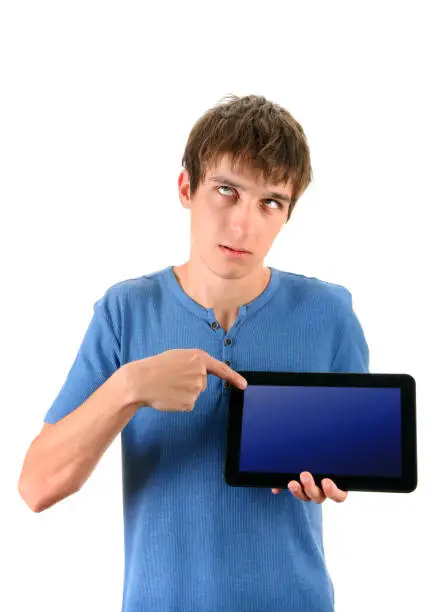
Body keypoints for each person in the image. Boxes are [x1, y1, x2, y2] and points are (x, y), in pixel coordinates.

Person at [18, 93, 369, 611]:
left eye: (270, 202)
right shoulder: (125, 311)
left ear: (288, 212)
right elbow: (37, 486)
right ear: (186, 187)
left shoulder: (330, 313)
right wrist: (130, 387)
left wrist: (332, 479)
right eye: (227, 191)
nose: (243, 225)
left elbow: (349, 461)